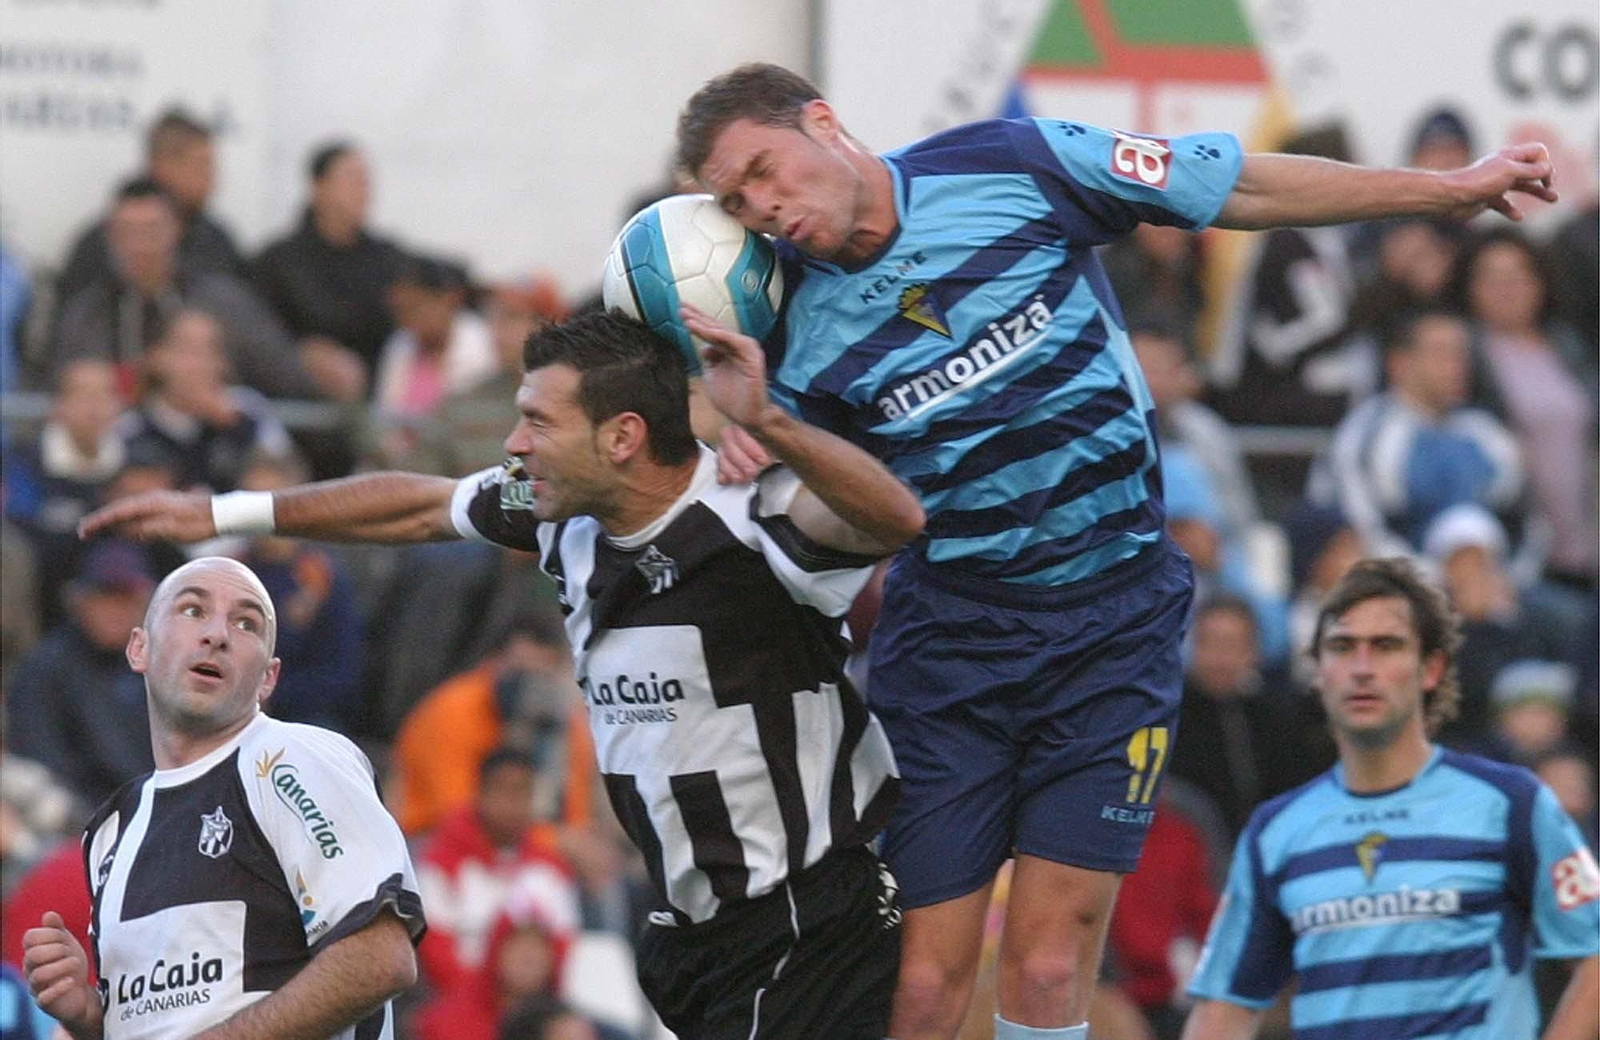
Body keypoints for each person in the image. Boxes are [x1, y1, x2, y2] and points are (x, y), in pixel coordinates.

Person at [674, 61, 1559, 1040]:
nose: (763, 206)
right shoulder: (789, 323)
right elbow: (831, 503)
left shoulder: (1008, 163)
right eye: (734, 200)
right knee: (923, 983)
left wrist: (1445, 190)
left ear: (824, 123)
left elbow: (1239, 186)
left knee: (1052, 962)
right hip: (954, 641)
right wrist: (752, 440)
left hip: (1115, 623)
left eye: (765, 169)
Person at [79, 307, 925, 1037]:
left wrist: (771, 423)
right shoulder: (562, 515)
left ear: (623, 436)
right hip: (691, 932)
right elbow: (418, 504)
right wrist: (224, 511)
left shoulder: (754, 516)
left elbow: (895, 516)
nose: (515, 443)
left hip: (806, 913)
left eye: (538, 421)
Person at [1183, 557, 1600, 1039]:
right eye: (1342, 647)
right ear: (1319, 673)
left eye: (1386, 646)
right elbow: (1224, 1008)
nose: (1362, 668)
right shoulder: (1276, 830)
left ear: (1431, 668)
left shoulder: (1511, 803)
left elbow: (1592, 954)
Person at [19, 556, 423, 1039]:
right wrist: (87, 1017)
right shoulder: (111, 828)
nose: (217, 634)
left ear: (268, 678)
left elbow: (380, 959)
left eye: (246, 622)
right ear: (138, 649)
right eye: (193, 611)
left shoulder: (291, 759)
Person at [55, 107, 247, 309]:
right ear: (162, 165)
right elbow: (72, 327)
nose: (213, 179)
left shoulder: (217, 242)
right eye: (202, 165)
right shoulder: (98, 246)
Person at [252, 141, 409, 388]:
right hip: (298, 397)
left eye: (366, 181)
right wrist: (303, 354)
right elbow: (260, 334)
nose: (363, 190)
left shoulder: (387, 259)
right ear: (319, 186)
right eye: (352, 179)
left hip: (374, 395)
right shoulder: (277, 262)